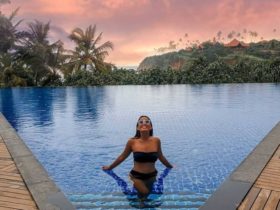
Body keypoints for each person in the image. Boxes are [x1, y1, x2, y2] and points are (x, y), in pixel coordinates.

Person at [102, 115, 173, 201]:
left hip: (152, 176)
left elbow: (161, 156)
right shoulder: (132, 142)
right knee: (145, 193)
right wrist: (110, 167)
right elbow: (122, 156)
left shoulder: (156, 141)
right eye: (141, 122)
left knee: (152, 196)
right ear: (137, 127)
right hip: (136, 176)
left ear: (150, 127)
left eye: (147, 122)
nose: (144, 123)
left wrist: (170, 166)